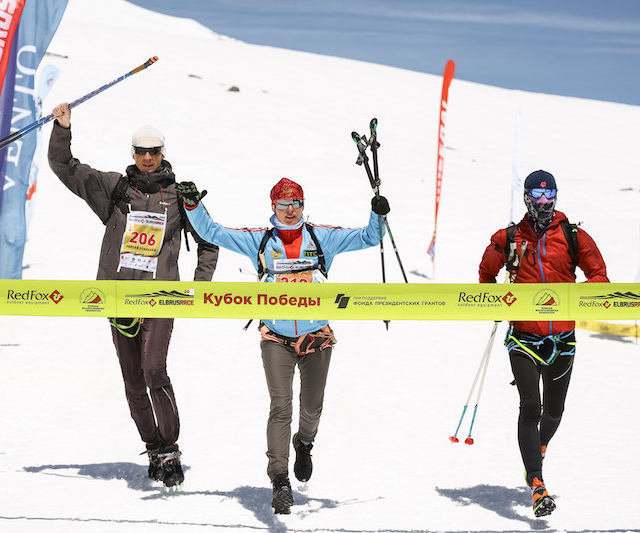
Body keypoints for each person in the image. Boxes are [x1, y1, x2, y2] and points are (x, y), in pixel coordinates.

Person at [175, 177, 389, 514]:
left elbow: (369, 237)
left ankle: (304, 443)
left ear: (303, 205)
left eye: (296, 204)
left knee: (312, 407)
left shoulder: (321, 238)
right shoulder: (260, 240)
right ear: (272, 207)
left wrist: (378, 215)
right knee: (280, 406)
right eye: (283, 205)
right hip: (276, 336)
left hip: (316, 336)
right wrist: (192, 206)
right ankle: (280, 480)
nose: (290, 210)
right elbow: (212, 232)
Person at [47, 102, 219, 489]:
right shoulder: (116, 188)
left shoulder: (180, 196)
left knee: (154, 369)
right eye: (141, 152)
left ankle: (170, 447)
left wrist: (201, 286)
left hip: (161, 297)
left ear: (163, 153)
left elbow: (210, 241)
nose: (147, 158)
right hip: (118, 296)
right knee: (133, 381)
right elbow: (65, 167)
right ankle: (153, 447)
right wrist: (63, 128)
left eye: (153, 152)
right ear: (133, 153)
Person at [478, 170, 608, 517]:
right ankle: (537, 484)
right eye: (536, 196)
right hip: (523, 338)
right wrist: (496, 301)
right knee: (530, 408)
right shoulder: (510, 238)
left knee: (554, 412)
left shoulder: (572, 235)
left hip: (562, 340)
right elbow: (486, 273)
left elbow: (599, 276)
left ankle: (539, 447)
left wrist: (578, 296)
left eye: (549, 196)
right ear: (526, 198)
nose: (543, 202)